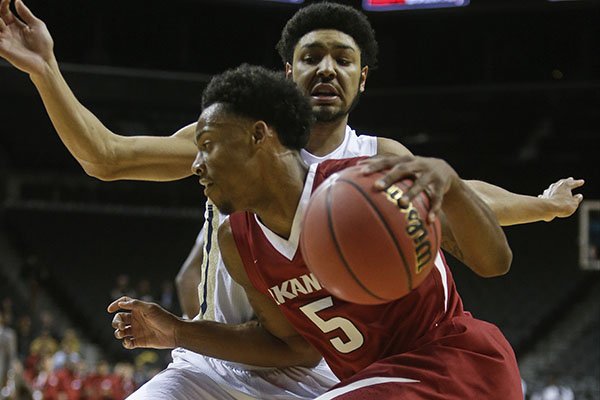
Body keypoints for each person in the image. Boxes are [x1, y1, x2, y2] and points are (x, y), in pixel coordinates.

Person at [0, 1, 583, 399]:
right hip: (222, 360)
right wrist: (46, 70)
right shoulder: (229, 141)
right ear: (286, 71)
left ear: (362, 79)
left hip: (322, 369)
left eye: (344, 59)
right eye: (311, 56)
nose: (326, 68)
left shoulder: (371, 165)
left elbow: (457, 204)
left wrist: (537, 203)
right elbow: (108, 157)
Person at [109, 64, 521, 399]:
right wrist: (178, 331)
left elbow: (495, 261)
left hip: (457, 368)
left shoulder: (364, 190)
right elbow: (293, 349)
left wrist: (450, 183)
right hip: (378, 382)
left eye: (207, 144)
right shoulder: (238, 240)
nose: (196, 164)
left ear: (258, 135)